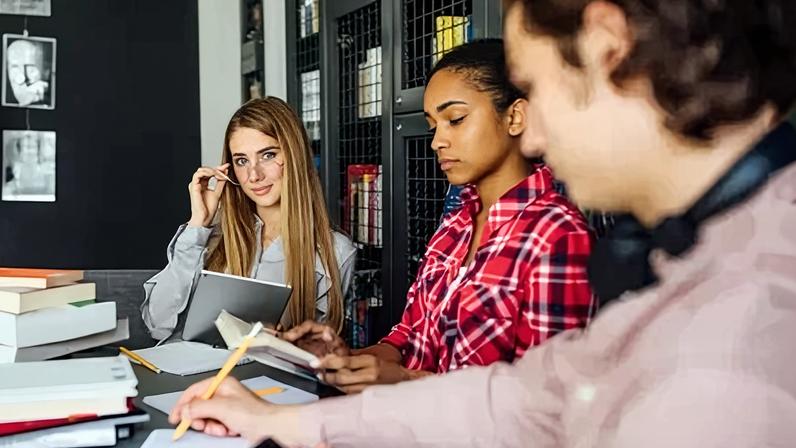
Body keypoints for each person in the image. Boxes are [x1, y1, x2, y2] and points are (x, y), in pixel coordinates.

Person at [170, 1, 796, 446]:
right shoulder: (704, 255)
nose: (535, 133)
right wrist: (290, 420)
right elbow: (530, 397)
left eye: (535, 87)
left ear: (609, 48)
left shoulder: (730, 359)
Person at [280, 39, 595, 393]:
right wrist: (346, 359)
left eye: (455, 120)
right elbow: (408, 336)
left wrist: (406, 380)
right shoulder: (455, 223)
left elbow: (543, 399)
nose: (437, 142)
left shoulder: (558, 235)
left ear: (515, 117)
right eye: (433, 126)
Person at [141, 97, 355, 341]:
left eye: (268, 155)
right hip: (187, 365)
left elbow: (320, 352)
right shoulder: (211, 238)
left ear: (295, 156)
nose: (254, 175)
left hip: (260, 367)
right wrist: (198, 223)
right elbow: (157, 324)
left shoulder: (334, 252)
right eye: (241, 161)